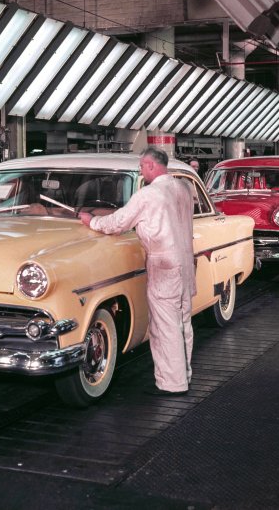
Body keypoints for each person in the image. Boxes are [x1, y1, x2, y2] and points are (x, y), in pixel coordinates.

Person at [79, 147, 195, 396]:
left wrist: (91, 221)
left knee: (165, 326)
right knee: (183, 321)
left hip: (163, 264)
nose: (141, 170)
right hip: (185, 262)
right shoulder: (183, 189)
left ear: (151, 165)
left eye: (142, 166)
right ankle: (184, 374)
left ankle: (172, 384)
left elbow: (118, 223)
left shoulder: (148, 194)